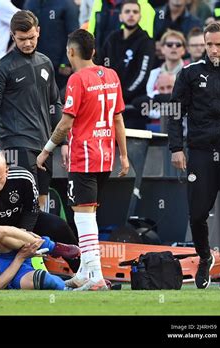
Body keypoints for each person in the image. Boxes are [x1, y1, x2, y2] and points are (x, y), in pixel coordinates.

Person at [37, 29, 129, 291]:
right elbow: (118, 119)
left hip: (84, 157)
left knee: (84, 218)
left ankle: (96, 277)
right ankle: (85, 274)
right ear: (94, 52)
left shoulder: (77, 80)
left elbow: (65, 123)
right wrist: (123, 155)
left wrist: (46, 150)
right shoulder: (111, 75)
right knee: (89, 215)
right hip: (106, 157)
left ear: (71, 52)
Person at [168, 21, 220, 289]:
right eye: (209, 44)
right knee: (197, 214)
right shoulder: (189, 74)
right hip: (200, 152)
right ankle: (205, 257)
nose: (214, 49)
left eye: (219, 44)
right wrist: (175, 148)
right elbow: (175, 113)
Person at [0, 10, 63, 210]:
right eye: (21, 39)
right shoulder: (1, 69)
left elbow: (56, 104)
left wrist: (65, 141)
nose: (27, 43)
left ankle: (40, 241)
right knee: (25, 200)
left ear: (39, 31)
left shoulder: (45, 62)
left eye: (31, 38)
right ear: (13, 36)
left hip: (45, 145)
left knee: (43, 198)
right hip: (17, 144)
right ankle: (22, 241)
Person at [97, 0, 154, 107]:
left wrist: (122, 96)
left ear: (140, 17)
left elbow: (142, 75)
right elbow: (100, 66)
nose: (131, 14)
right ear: (120, 17)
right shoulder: (112, 38)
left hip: (132, 103)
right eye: (127, 11)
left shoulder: (146, 41)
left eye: (135, 12)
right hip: (108, 98)